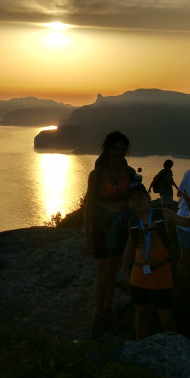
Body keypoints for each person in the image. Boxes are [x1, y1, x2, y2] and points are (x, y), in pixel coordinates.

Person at [121, 183, 190, 339]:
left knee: (167, 319)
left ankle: (176, 351)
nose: (137, 200)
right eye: (132, 198)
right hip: (138, 274)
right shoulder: (132, 221)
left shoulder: (164, 214)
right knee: (141, 316)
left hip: (162, 274)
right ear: (128, 204)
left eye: (140, 196)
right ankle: (140, 348)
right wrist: (124, 269)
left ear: (148, 197)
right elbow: (130, 244)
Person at [82, 131, 137, 337]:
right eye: (114, 148)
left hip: (122, 229)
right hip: (102, 229)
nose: (118, 153)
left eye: (122, 149)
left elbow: (134, 201)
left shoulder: (129, 174)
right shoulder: (96, 175)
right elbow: (89, 205)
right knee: (103, 275)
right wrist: (87, 236)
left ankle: (107, 311)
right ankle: (97, 314)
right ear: (107, 149)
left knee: (113, 274)